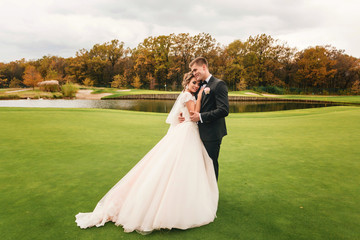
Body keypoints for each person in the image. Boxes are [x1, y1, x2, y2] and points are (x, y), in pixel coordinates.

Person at [75, 73, 218, 235]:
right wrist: (199, 98)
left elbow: (183, 115)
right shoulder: (188, 95)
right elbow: (193, 116)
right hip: (187, 132)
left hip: (186, 132)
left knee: (180, 166)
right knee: (180, 165)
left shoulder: (186, 95)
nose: (196, 86)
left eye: (198, 84)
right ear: (187, 83)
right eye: (194, 83)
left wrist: (193, 102)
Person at [179, 57, 229, 181]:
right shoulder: (198, 84)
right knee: (198, 166)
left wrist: (200, 116)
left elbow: (223, 110)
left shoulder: (219, 84)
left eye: (195, 70)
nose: (194, 73)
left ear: (204, 67)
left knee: (211, 165)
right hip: (196, 133)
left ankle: (212, 196)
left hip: (212, 134)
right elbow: (188, 99)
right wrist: (182, 113)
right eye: (192, 71)